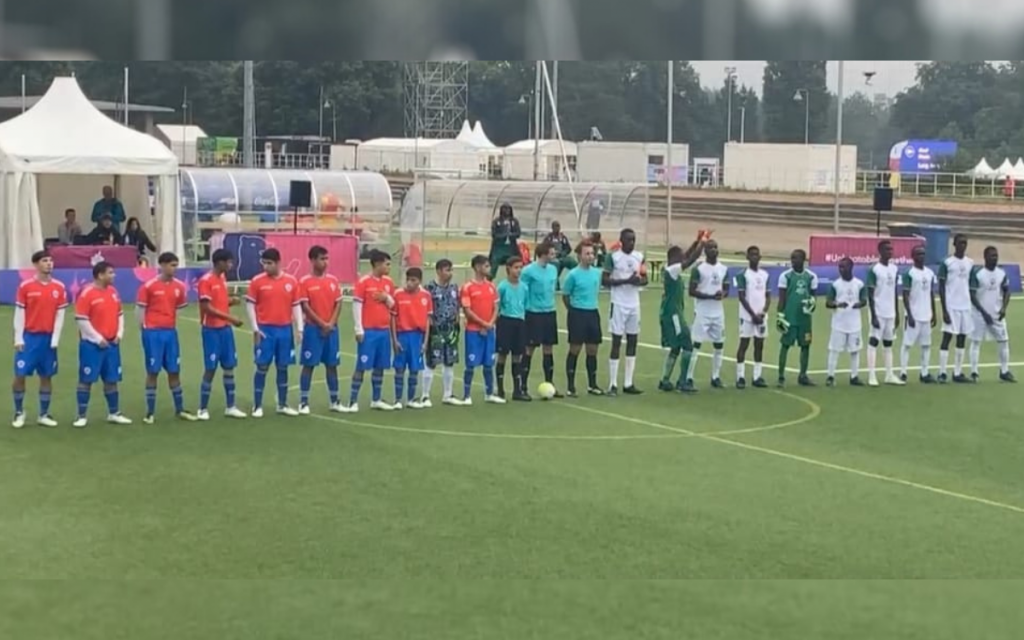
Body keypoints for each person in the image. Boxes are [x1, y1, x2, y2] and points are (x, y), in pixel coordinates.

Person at [137, 252, 197, 423]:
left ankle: (180, 409)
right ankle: (150, 412)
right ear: (162, 265)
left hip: (170, 333)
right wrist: (145, 330)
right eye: (171, 265)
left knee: (174, 370)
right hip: (152, 333)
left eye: (176, 265)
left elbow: (178, 307)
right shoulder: (148, 286)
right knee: (153, 371)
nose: (174, 268)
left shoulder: (179, 287)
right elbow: (140, 310)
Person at [12, 250, 67, 428]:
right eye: (45, 261)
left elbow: (60, 315)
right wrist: (18, 337)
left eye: (51, 260)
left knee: (46, 376)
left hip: (48, 339)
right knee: (20, 375)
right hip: (29, 338)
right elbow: (19, 313)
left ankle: (43, 414)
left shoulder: (59, 287)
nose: (49, 263)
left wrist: (55, 339)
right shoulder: (26, 287)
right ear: (36, 264)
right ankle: (19, 412)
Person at [245, 248, 303, 417]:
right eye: (264, 263)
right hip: (265, 330)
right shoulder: (257, 281)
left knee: (283, 367)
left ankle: (282, 404)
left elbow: (296, 305)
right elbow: (250, 305)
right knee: (262, 366)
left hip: (285, 330)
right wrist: (255, 328)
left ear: (278, 263)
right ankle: (257, 405)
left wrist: (299, 328)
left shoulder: (291, 281)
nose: (266, 267)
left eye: (269, 263)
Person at [73, 261, 132, 427]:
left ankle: (114, 413)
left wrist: (119, 334)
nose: (114, 276)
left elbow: (120, 314)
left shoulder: (113, 292)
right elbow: (81, 320)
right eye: (111, 272)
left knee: (111, 379)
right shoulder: (87, 294)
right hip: (92, 345)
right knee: (86, 379)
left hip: (112, 344)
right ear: (100, 275)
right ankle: (81, 415)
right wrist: (97, 338)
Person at [196, 249, 248, 420]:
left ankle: (230, 406)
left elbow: (219, 302)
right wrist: (231, 318)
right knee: (210, 368)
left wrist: (230, 301)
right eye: (229, 262)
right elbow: (207, 308)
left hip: (225, 329)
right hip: (211, 330)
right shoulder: (206, 281)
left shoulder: (222, 279)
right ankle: (202, 408)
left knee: (229, 366)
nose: (231, 265)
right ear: (220, 262)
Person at [347, 249, 397, 412]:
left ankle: (376, 399)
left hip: (384, 331)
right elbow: (357, 305)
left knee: (380, 366)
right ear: (377, 264)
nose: (389, 267)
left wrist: (386, 298)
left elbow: (393, 305)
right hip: (369, 331)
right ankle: (353, 401)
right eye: (387, 264)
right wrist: (358, 329)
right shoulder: (364, 282)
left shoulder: (388, 282)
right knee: (361, 366)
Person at [298, 246, 345, 414]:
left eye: (327, 258)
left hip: (332, 330)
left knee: (332, 365)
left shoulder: (333, 280)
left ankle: (335, 401)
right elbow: (305, 306)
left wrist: (330, 323)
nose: (325, 262)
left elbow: (338, 303)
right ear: (312, 260)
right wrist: (321, 323)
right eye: (321, 259)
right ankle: (303, 402)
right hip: (313, 330)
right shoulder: (304, 282)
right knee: (309, 365)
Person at [602, 228, 647, 395]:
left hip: (634, 304)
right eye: (628, 240)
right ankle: (612, 383)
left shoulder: (639, 257)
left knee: (633, 340)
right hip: (618, 303)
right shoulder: (613, 257)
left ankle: (628, 382)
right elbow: (605, 280)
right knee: (616, 341)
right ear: (621, 240)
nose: (632, 243)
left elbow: (645, 278)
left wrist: (639, 282)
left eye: (634, 240)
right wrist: (626, 280)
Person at [658, 241, 704, 393]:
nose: (683, 258)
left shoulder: (671, 269)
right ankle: (682, 381)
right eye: (680, 257)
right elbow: (690, 260)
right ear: (674, 258)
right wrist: (703, 243)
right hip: (673, 315)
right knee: (687, 344)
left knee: (676, 347)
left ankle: (665, 380)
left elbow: (687, 256)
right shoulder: (672, 270)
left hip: (673, 312)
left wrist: (697, 240)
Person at [686, 239, 730, 388]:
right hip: (702, 312)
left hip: (718, 313)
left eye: (715, 247)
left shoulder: (723, 269)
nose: (714, 250)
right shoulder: (699, 269)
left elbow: (726, 289)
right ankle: (688, 377)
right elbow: (691, 291)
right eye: (710, 248)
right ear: (705, 251)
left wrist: (722, 294)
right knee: (695, 344)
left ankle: (715, 376)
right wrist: (709, 296)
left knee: (719, 344)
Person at [562, 242, 604, 397]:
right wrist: (573, 310)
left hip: (593, 313)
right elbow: (566, 295)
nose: (590, 257)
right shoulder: (573, 275)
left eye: (592, 254)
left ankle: (592, 385)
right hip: (577, 314)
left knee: (592, 350)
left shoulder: (596, 273)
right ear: (579, 256)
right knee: (575, 349)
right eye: (587, 254)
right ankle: (570, 386)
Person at [460, 255, 503, 405]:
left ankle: (489, 393)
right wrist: (483, 324)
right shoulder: (467, 287)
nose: (489, 268)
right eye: (486, 266)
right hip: (473, 331)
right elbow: (467, 310)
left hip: (490, 331)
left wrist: (490, 324)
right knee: (471, 364)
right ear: (477, 267)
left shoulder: (491, 287)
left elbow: (496, 307)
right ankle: (466, 395)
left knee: (488, 363)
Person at [969, 246, 1015, 383]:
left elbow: (1007, 291)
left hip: (996, 314)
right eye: (991, 256)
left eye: (996, 256)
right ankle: (974, 372)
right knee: (976, 341)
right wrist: (983, 313)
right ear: (985, 257)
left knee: (1003, 341)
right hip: (979, 314)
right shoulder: (978, 274)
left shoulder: (1001, 273)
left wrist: (1003, 309)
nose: (994, 258)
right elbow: (972, 295)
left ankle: (1004, 370)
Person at [521, 241, 562, 396]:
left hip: (549, 312)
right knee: (529, 349)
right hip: (533, 313)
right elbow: (523, 291)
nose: (554, 255)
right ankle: (522, 386)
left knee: (548, 348)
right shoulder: (528, 271)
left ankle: (550, 384)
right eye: (551, 253)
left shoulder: (553, 269)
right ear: (543, 254)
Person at [421, 259, 462, 407]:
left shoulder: (454, 287)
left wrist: (457, 319)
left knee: (449, 362)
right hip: (435, 330)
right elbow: (425, 309)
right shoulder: (429, 288)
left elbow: (457, 305)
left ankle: (448, 394)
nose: (450, 273)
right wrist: (429, 324)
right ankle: (425, 395)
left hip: (450, 331)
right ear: (438, 271)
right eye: (447, 270)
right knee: (431, 362)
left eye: (451, 270)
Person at [776, 249, 818, 387]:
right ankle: (781, 376)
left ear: (803, 259)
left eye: (796, 258)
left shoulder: (811, 277)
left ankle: (803, 375)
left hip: (804, 319)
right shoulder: (785, 276)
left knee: (805, 346)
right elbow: (782, 299)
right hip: (789, 318)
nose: (793, 261)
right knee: (785, 345)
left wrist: (812, 304)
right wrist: (780, 315)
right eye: (792, 258)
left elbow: (813, 297)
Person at [391, 267, 432, 409]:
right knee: (399, 368)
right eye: (407, 279)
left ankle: (411, 399)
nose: (409, 283)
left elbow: (428, 320)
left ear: (419, 281)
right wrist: (394, 340)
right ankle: (397, 400)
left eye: (413, 280)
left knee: (415, 369)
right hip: (402, 335)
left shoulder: (426, 296)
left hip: (418, 336)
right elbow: (393, 318)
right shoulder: (398, 294)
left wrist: (425, 342)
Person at [866, 240, 904, 387]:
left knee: (888, 343)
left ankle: (889, 374)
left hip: (890, 312)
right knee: (874, 341)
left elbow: (894, 291)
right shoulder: (874, 269)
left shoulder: (894, 269)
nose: (890, 252)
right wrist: (873, 315)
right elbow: (870, 293)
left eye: (891, 249)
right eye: (887, 250)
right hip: (878, 311)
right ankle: (871, 375)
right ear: (880, 251)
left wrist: (897, 313)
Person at [938, 234, 975, 383]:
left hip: (965, 306)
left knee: (962, 338)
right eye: (960, 243)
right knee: (947, 338)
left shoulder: (970, 263)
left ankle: (957, 372)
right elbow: (941, 287)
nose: (963, 246)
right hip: (951, 306)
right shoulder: (947, 263)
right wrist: (944, 310)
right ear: (954, 244)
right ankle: (942, 372)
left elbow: (970, 285)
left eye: (965, 243)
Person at [825, 257, 867, 387]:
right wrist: (837, 304)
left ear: (851, 267)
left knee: (855, 350)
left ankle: (854, 376)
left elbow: (864, 300)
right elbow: (828, 302)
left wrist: (859, 304)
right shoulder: (835, 285)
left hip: (854, 324)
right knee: (834, 350)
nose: (841, 270)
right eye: (840, 267)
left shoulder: (859, 284)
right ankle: (830, 376)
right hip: (839, 324)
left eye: (844, 267)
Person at [900, 244, 938, 383]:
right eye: (918, 254)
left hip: (926, 315)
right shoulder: (909, 274)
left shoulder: (929, 273)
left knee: (926, 345)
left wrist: (934, 313)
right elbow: (905, 295)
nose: (921, 256)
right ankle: (903, 372)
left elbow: (931, 294)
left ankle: (924, 373)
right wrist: (909, 314)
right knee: (907, 345)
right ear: (913, 257)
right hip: (914, 316)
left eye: (923, 254)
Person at [734, 245, 771, 389]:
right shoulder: (742, 275)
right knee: (744, 344)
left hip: (761, 317)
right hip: (747, 316)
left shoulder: (765, 275)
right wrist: (752, 314)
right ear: (747, 257)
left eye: (757, 254)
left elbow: (768, 296)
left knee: (759, 345)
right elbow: (742, 297)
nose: (755, 257)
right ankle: (740, 377)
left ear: (760, 257)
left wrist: (763, 312)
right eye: (752, 255)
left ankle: (757, 376)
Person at [496, 256, 530, 401]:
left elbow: (525, 304)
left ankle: (517, 390)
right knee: (502, 354)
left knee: (517, 355)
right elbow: (498, 306)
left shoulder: (524, 287)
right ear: (508, 269)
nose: (519, 270)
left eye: (520, 267)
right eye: (516, 267)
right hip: (505, 321)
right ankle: (500, 389)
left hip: (519, 322)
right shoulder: (502, 286)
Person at [488, 202, 521, 280]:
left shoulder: (514, 221)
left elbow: (518, 233)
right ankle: (489, 281)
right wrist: (504, 235)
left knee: (516, 263)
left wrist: (510, 235)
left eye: (508, 209)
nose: (507, 210)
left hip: (511, 249)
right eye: (505, 208)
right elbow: (494, 235)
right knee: (494, 263)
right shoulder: (496, 221)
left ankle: (514, 280)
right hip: (499, 249)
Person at [543, 221, 577, 288]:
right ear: (552, 228)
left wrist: (563, 253)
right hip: (552, 258)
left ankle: (577, 279)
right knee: (555, 264)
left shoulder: (563, 237)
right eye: (556, 226)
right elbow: (544, 248)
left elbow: (568, 248)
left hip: (562, 256)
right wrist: (552, 254)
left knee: (572, 262)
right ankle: (555, 284)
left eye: (558, 226)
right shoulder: (549, 238)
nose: (557, 228)